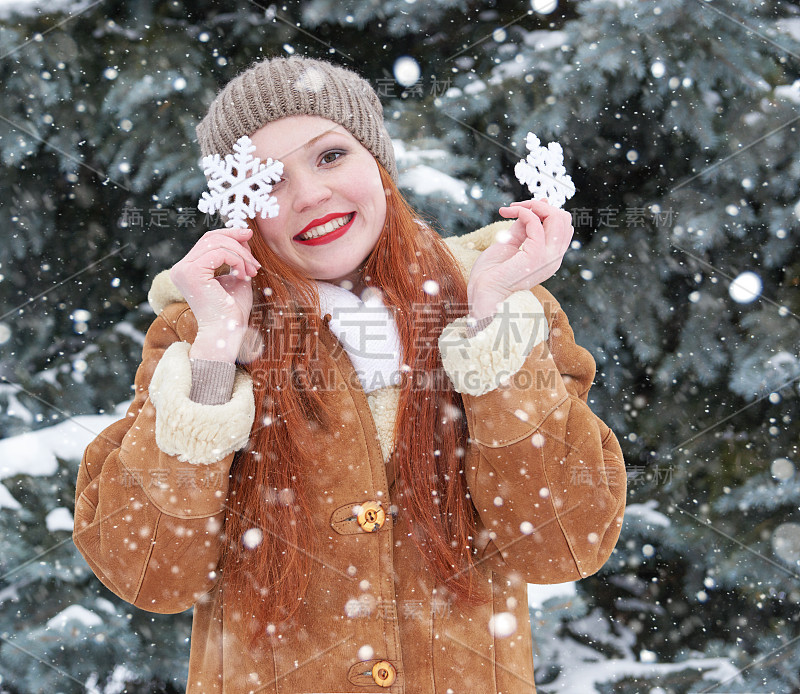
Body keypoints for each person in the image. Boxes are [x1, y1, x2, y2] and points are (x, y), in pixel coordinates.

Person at [73, 56, 626, 694]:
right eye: (270, 179)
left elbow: (563, 543)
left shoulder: (499, 307)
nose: (308, 194)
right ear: (240, 209)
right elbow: (151, 576)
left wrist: (493, 329)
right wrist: (215, 360)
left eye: (331, 155)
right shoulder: (198, 333)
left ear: (378, 162)